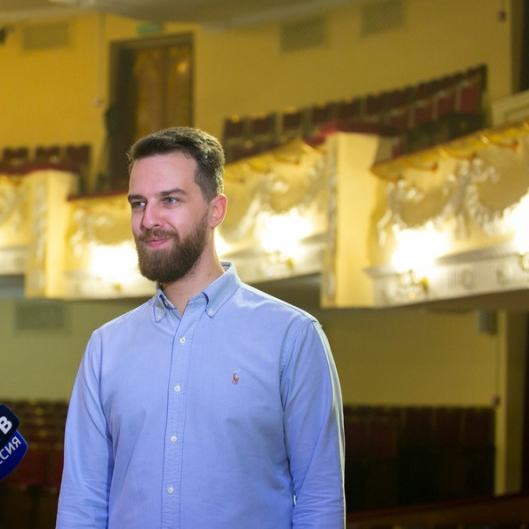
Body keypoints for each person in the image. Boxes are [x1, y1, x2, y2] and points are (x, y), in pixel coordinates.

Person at [56, 126, 345, 528]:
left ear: (216, 210)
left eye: (170, 200)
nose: (148, 220)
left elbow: (319, 501)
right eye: (138, 203)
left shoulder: (291, 337)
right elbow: (82, 503)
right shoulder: (105, 347)